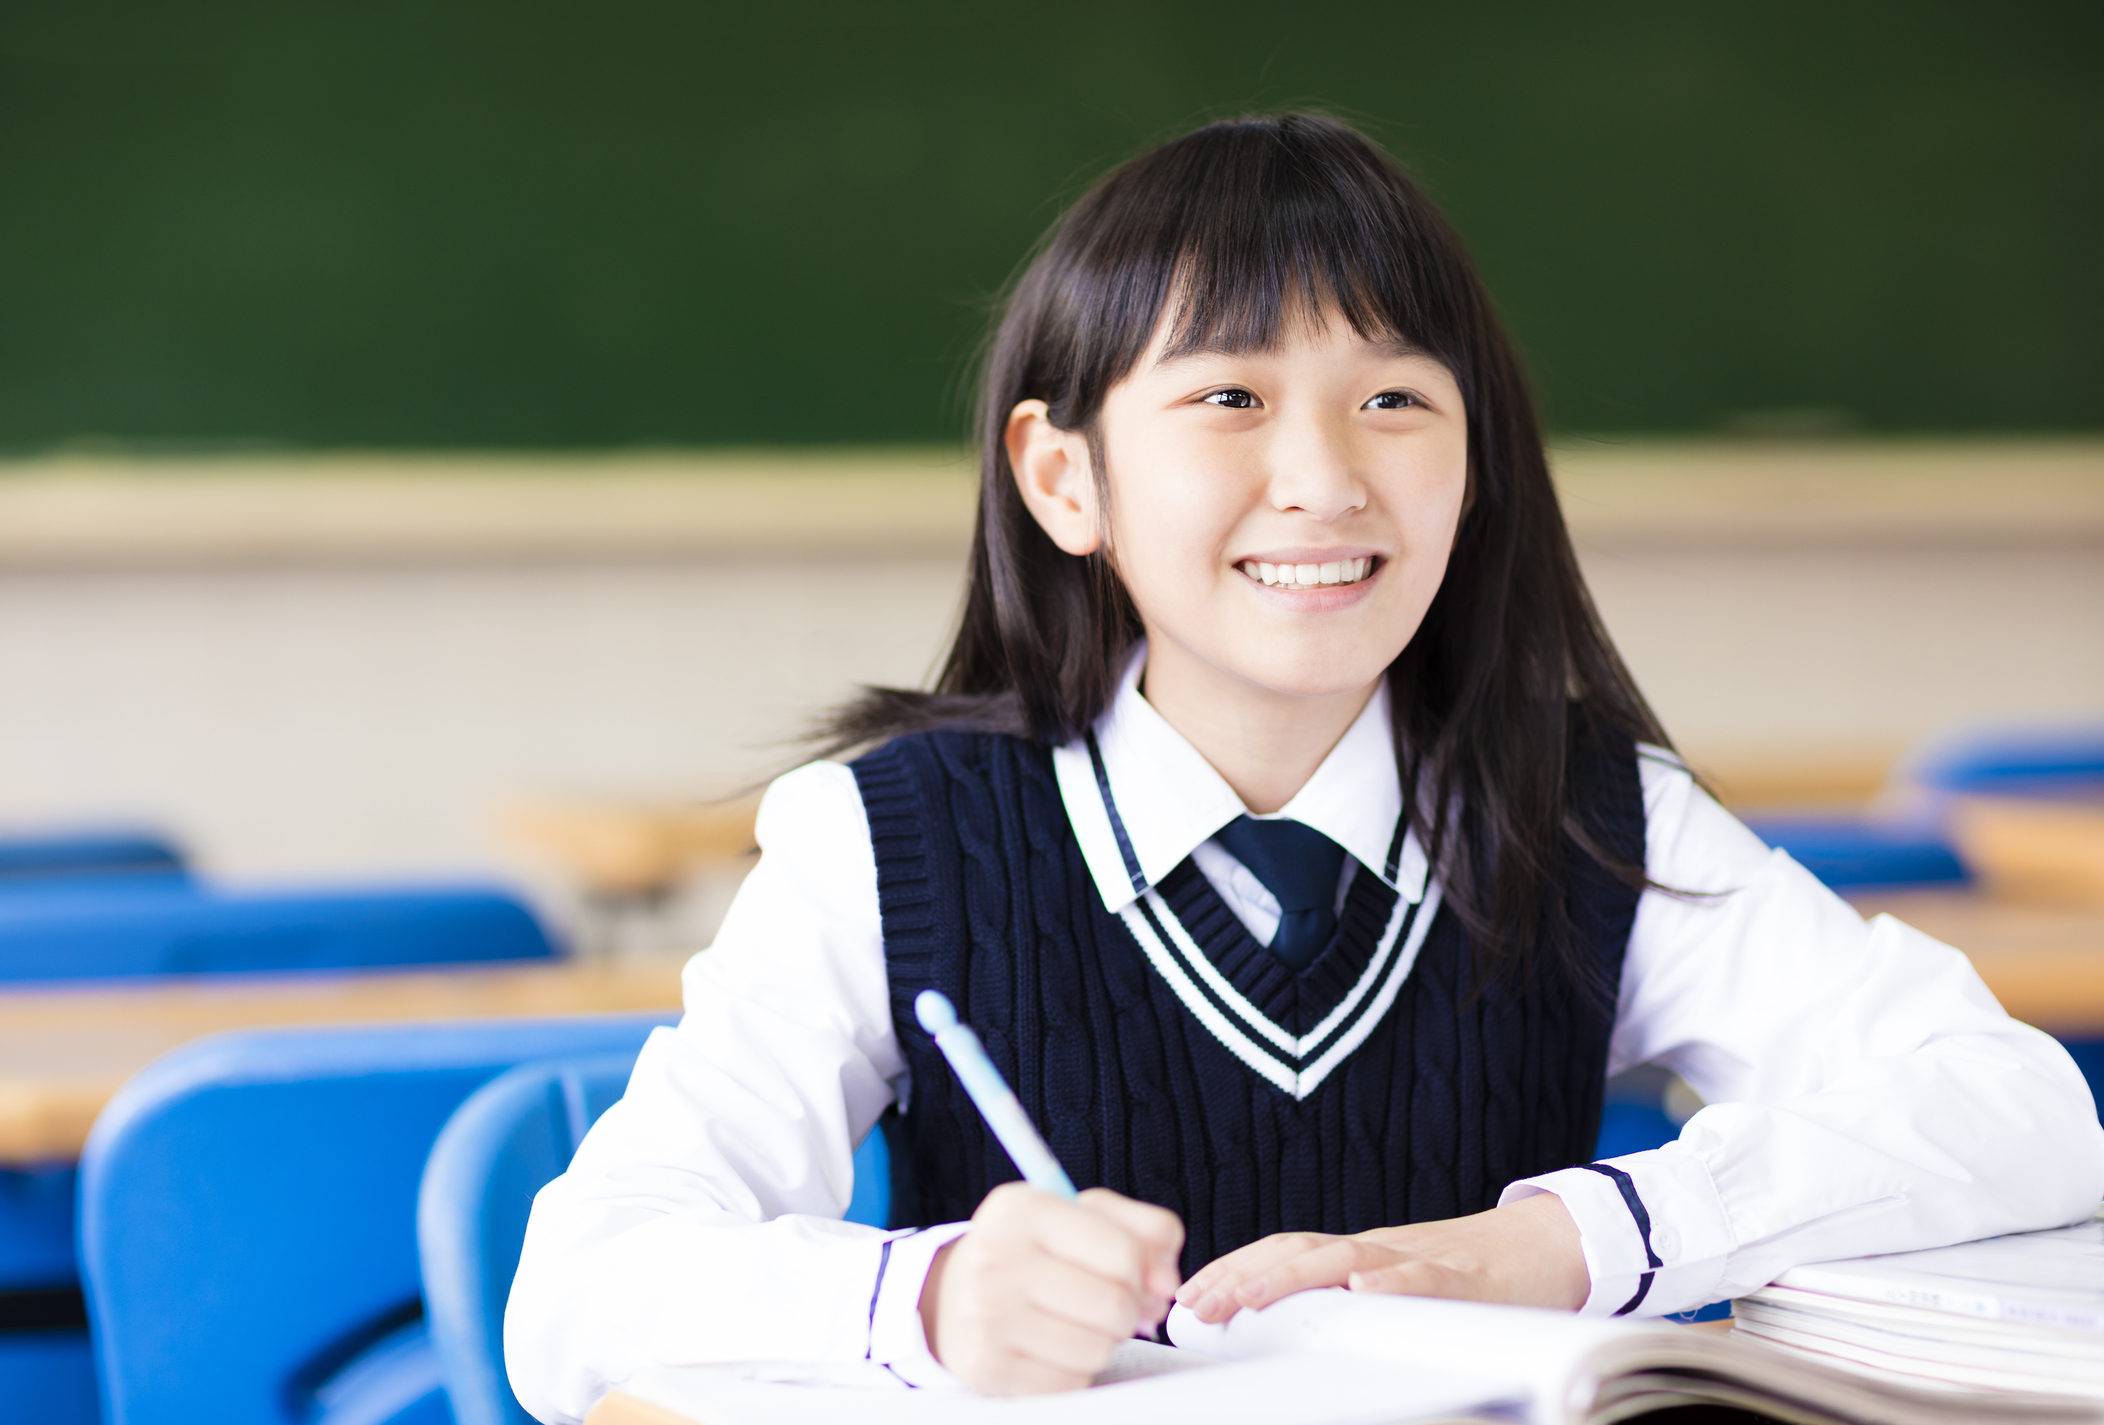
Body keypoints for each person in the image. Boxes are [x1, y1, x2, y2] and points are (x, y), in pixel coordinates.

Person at [504, 113, 2104, 1421]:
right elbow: (582, 1281)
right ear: (1065, 476)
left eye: (1396, 398)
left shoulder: (1577, 810)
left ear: (1475, 464)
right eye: (1230, 398)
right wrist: (921, 1296)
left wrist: (1581, 1234)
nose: (1325, 477)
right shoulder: (895, 838)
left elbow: (2022, 1107)